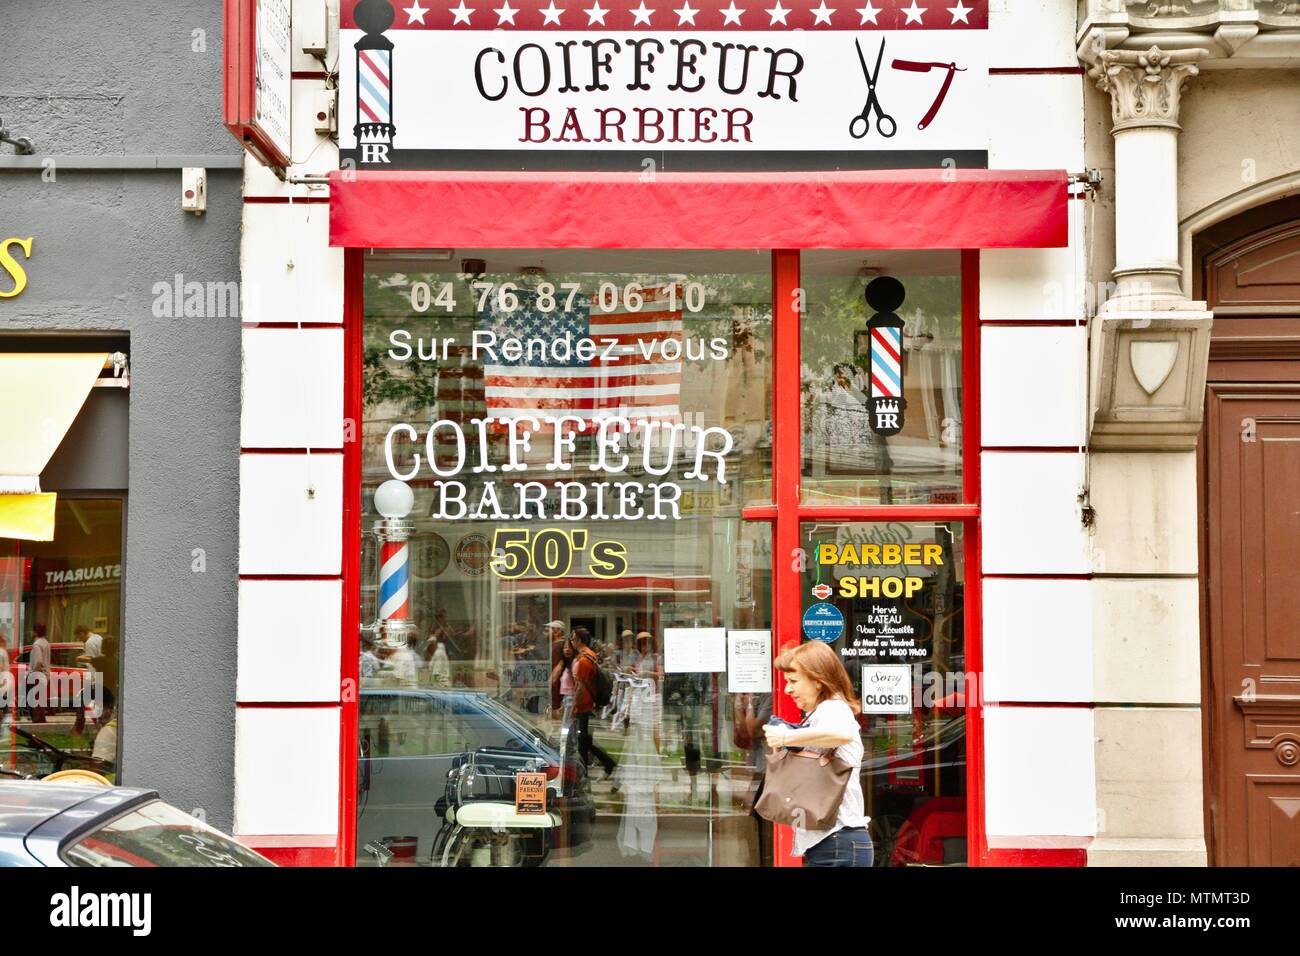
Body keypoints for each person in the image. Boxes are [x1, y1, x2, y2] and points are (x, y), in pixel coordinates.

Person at [762, 641, 873, 867]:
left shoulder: (833, 708)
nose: (787, 690)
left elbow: (841, 733)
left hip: (838, 843)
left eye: (793, 681)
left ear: (818, 681)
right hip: (833, 843)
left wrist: (786, 738)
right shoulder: (820, 713)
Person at [569, 627, 617, 778]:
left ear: (579, 640)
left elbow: (581, 687)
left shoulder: (584, 660)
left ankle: (584, 773)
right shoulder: (589, 654)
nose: (571, 641)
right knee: (585, 740)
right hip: (587, 703)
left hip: (584, 704)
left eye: (572, 638)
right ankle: (608, 764)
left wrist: (573, 706)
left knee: (582, 741)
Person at [27, 623, 51, 725]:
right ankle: (41, 721)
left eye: (33, 630)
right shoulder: (45, 643)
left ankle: (37, 722)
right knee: (40, 701)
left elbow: (38, 661)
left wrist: (33, 673)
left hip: (38, 675)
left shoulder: (37, 645)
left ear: (36, 632)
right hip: (45, 675)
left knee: (35, 700)